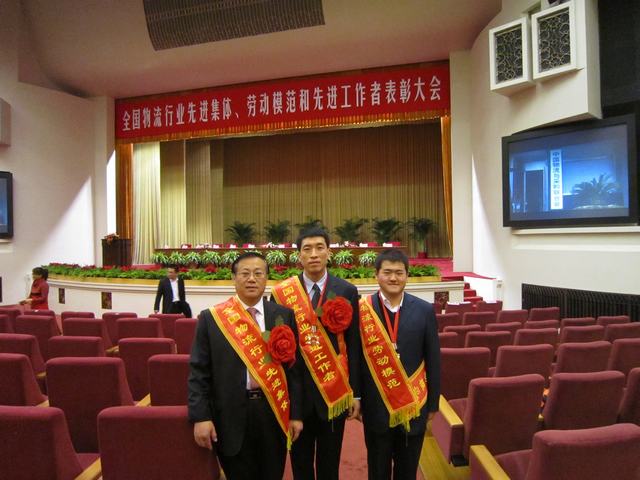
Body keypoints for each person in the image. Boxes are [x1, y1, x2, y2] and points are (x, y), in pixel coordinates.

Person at [188, 252, 304, 480]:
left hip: (274, 411)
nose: (252, 279)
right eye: (245, 273)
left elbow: (294, 371)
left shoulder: (283, 316)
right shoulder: (212, 319)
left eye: (258, 273)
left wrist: (296, 415)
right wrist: (200, 417)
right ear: (234, 278)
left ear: (267, 278)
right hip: (230, 415)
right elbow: (199, 372)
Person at [271, 227, 361, 480]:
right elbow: (276, 347)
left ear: (329, 253)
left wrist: (356, 393)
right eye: (307, 249)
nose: (313, 254)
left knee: (329, 464)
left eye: (319, 248)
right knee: (300, 465)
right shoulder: (281, 293)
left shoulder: (346, 290)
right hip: (296, 395)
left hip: (334, 390)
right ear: (298, 255)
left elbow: (354, 344)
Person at [358, 249, 440, 480]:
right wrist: (358, 398)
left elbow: (433, 359)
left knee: (407, 470)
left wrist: (433, 404)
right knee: (377, 470)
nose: (393, 278)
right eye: (387, 272)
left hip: (413, 405)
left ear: (407, 275)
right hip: (376, 406)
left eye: (399, 272)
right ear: (376, 275)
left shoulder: (424, 310)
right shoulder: (362, 310)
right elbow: (355, 359)